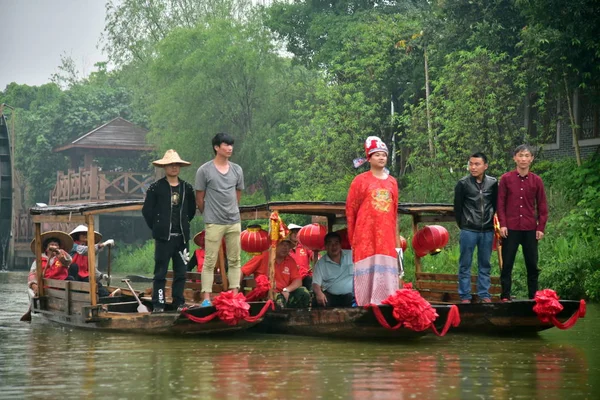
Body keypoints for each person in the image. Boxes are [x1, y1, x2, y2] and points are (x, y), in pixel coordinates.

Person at [346, 136, 399, 306]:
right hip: (365, 236)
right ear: (369, 158)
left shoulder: (392, 182)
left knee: (386, 269)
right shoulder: (360, 181)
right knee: (367, 269)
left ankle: (386, 302)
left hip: (387, 238)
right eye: (377, 155)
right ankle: (365, 304)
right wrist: (353, 237)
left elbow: (394, 211)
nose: (381, 157)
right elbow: (351, 210)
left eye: (384, 154)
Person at [142, 149, 196, 313]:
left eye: (177, 165)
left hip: (182, 237)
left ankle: (179, 303)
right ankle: (158, 303)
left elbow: (191, 210)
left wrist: (183, 225)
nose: (174, 167)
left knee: (181, 272)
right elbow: (147, 211)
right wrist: (158, 228)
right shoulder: (155, 188)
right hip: (163, 238)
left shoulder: (187, 188)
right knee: (160, 272)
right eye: (171, 165)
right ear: (165, 167)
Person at [195, 133, 244, 307]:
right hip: (213, 221)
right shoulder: (205, 170)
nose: (230, 148)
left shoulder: (237, 170)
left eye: (231, 145)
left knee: (235, 259)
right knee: (209, 259)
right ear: (217, 147)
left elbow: (237, 194)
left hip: (233, 220)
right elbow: (200, 197)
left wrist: (232, 211)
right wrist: (207, 214)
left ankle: (235, 294)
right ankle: (206, 298)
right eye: (226, 145)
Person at [497, 144, 548, 301]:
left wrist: (540, 227)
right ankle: (505, 296)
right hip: (510, 228)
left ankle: (534, 297)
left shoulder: (536, 181)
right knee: (507, 264)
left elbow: (542, 206)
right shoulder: (506, 179)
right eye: (520, 155)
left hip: (530, 229)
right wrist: (503, 224)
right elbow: (500, 203)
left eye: (527, 156)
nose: (523, 159)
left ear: (532, 159)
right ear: (514, 158)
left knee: (532, 265)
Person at [454, 152, 498, 304]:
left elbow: (495, 204)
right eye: (471, 164)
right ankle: (465, 296)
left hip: (487, 229)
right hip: (468, 229)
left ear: (485, 166)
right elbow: (457, 208)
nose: (473, 167)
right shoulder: (463, 183)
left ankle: (484, 294)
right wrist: (464, 224)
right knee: (465, 263)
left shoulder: (493, 183)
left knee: (485, 263)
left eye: (477, 164)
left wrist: (492, 223)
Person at [241, 238, 311, 309]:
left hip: (284, 293)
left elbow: (298, 281)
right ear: (274, 245)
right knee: (278, 300)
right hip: (266, 296)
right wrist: (236, 289)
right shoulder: (262, 256)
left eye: (287, 245)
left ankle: (294, 316)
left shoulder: (290, 261)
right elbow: (242, 271)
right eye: (282, 244)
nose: (285, 247)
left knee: (304, 293)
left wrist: (287, 290)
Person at [68, 224, 113, 297]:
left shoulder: (88, 248)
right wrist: (103, 244)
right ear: (77, 235)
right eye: (83, 234)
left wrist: (102, 276)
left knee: (96, 283)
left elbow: (90, 267)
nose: (85, 235)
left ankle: (108, 296)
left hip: (84, 275)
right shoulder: (73, 246)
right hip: (74, 275)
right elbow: (84, 250)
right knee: (76, 269)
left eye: (87, 234)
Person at [312, 232, 354, 307]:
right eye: (330, 243)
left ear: (340, 245)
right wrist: (319, 293)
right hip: (332, 297)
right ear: (325, 246)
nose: (333, 246)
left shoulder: (352, 255)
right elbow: (315, 283)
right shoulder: (320, 263)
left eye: (336, 243)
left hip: (352, 296)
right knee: (317, 301)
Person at [27, 231, 74, 296]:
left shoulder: (62, 256)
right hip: (45, 287)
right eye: (52, 244)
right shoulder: (38, 260)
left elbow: (69, 261)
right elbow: (32, 274)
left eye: (56, 245)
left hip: (60, 286)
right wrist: (34, 285)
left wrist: (59, 254)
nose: (54, 246)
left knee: (70, 278)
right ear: (46, 248)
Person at [287, 223, 314, 288]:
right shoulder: (286, 247)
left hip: (305, 276)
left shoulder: (305, 245)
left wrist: (318, 259)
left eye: (298, 232)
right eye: (294, 232)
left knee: (311, 282)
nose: (296, 234)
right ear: (289, 234)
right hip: (289, 277)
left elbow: (314, 254)